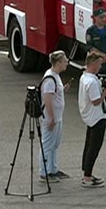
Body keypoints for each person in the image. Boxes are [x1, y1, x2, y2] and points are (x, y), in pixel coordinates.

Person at [78, 51, 106, 188]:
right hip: (96, 117)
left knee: (89, 145)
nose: (100, 66)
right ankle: (87, 177)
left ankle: (86, 172)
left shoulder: (85, 77)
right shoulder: (91, 82)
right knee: (94, 147)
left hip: (90, 116)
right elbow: (96, 101)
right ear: (93, 64)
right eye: (99, 64)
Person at [39, 50, 71, 182]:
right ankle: (44, 172)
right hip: (51, 118)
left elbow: (54, 94)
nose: (67, 63)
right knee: (47, 145)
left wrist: (63, 89)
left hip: (57, 117)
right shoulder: (50, 79)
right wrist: (51, 118)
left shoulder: (55, 76)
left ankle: (53, 169)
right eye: (64, 61)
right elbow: (47, 100)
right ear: (58, 63)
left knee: (54, 144)